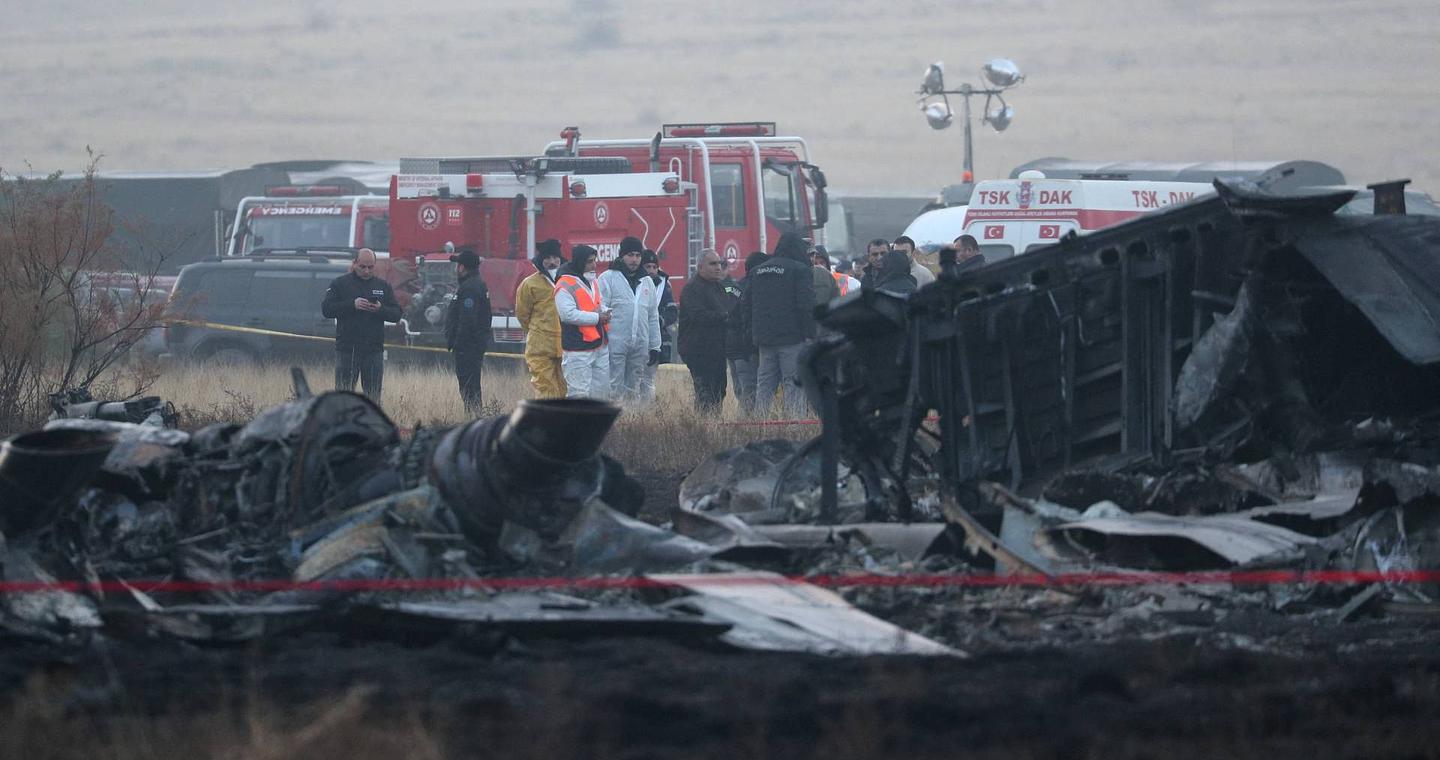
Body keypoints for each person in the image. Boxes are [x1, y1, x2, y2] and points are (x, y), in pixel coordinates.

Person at [746, 232, 814, 418]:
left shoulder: (757, 270)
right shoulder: (800, 270)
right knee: (793, 384)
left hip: (764, 339)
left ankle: (759, 427)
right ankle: (795, 426)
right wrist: (810, 334)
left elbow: (747, 304)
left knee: (765, 386)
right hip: (792, 338)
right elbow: (805, 306)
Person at [321, 247, 401, 402]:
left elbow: (396, 313)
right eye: (362, 267)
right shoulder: (340, 284)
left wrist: (380, 309)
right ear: (354, 264)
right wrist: (352, 305)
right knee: (344, 398)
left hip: (373, 351)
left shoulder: (383, 286)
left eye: (370, 267)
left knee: (373, 399)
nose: (366, 271)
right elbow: (327, 309)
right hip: (347, 351)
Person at [597, 236, 662, 403]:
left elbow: (652, 316)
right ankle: (613, 422)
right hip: (614, 343)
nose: (634, 260)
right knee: (613, 387)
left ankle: (631, 424)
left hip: (639, 344)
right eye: (630, 255)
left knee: (633, 389)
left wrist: (655, 346)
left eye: (638, 255)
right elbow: (600, 309)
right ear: (621, 255)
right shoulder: (608, 278)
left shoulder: (647, 281)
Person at [678, 250, 737, 414]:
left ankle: (714, 425)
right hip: (697, 349)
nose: (718, 267)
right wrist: (724, 317)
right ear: (700, 267)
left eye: (720, 263)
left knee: (719, 389)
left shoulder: (720, 287)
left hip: (717, 348)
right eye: (713, 264)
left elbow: (730, 303)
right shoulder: (692, 289)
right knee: (705, 392)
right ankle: (704, 427)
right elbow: (698, 315)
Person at [553, 245, 612, 399]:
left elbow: (597, 304)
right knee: (578, 396)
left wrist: (605, 310)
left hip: (599, 345)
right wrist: (598, 318)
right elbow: (568, 315)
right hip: (577, 350)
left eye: (594, 261)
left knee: (600, 395)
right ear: (580, 262)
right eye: (589, 262)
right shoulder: (564, 284)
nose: (594, 265)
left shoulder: (592, 280)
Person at [514, 238, 566, 398]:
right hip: (540, 348)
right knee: (546, 391)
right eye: (547, 258)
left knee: (565, 390)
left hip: (566, 347)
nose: (552, 262)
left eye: (555, 258)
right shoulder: (529, 284)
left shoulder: (568, 281)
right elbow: (523, 315)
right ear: (541, 260)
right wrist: (539, 332)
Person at [445, 249, 491, 416]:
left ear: (462, 267)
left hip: (468, 347)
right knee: (470, 386)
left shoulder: (470, 288)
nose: (457, 268)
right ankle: (473, 416)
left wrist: (458, 343)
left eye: (458, 265)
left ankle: (473, 417)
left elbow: (467, 320)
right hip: (472, 345)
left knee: (469, 386)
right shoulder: (475, 284)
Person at [728, 251, 766, 416]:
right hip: (746, 349)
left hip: (733, 349)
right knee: (750, 390)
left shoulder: (737, 287)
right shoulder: (754, 287)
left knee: (742, 389)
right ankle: (744, 426)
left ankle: (743, 423)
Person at [639, 249, 677, 401]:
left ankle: (646, 413)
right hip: (636, 337)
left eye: (654, 267)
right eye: (648, 266)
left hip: (655, 338)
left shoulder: (664, 285)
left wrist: (660, 321)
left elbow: (672, 311)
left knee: (648, 380)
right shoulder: (635, 283)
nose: (652, 271)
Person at [809, 242, 840, 308]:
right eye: (815, 263)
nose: (819, 266)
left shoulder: (846, 280)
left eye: (822, 263)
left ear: (828, 264)